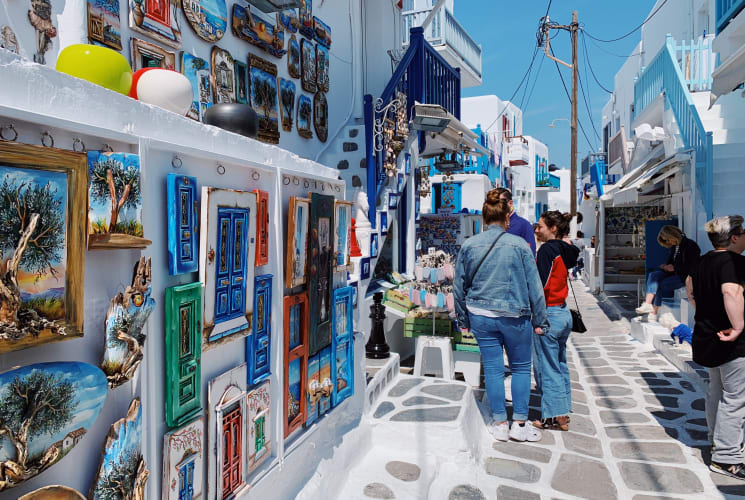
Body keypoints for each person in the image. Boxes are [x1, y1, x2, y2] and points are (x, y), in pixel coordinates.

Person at [453, 190, 548, 443]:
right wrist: (541, 320)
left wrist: (462, 319)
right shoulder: (519, 246)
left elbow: (458, 286)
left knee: (493, 370)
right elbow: (534, 286)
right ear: (507, 218)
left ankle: (499, 423)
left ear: (484, 219)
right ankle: (519, 424)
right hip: (515, 315)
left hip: (481, 316)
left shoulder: (469, 245)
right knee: (519, 368)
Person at [686, 215, 745, 480]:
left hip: (708, 336)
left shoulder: (701, 262)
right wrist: (738, 326)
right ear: (734, 237)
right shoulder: (734, 262)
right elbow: (731, 292)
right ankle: (727, 458)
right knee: (735, 400)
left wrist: (706, 314)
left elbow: (690, 290)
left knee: (717, 393)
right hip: (731, 341)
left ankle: (717, 441)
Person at [531, 211, 579, 431]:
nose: (536, 229)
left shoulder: (548, 250)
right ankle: (562, 412)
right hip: (562, 313)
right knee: (559, 364)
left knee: (546, 367)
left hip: (548, 313)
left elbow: (540, 285)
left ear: (553, 228)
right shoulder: (564, 250)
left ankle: (552, 415)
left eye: (540, 226)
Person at [636, 226, 701, 321]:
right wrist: (665, 266)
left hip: (684, 276)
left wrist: (674, 268)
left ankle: (653, 313)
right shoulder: (675, 246)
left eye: (668, 240)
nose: (669, 243)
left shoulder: (691, 245)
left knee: (659, 284)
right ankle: (647, 304)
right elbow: (671, 261)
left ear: (672, 236)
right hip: (673, 272)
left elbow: (693, 266)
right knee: (653, 275)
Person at [495, 188, 537, 256]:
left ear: (510, 203)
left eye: (500, 202)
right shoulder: (491, 225)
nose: (496, 206)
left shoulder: (524, 225)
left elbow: (530, 255)